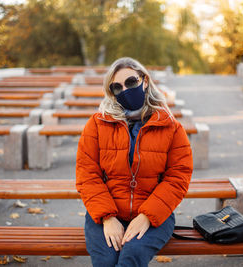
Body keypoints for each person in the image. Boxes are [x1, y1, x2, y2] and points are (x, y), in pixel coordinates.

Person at [76, 57, 193, 267]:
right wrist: (107, 218)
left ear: (144, 81)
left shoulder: (171, 127)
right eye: (117, 87)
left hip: (154, 214)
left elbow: (178, 178)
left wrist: (147, 216)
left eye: (131, 82)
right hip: (106, 212)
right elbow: (87, 174)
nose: (125, 90)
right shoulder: (97, 124)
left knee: (130, 258)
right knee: (106, 261)